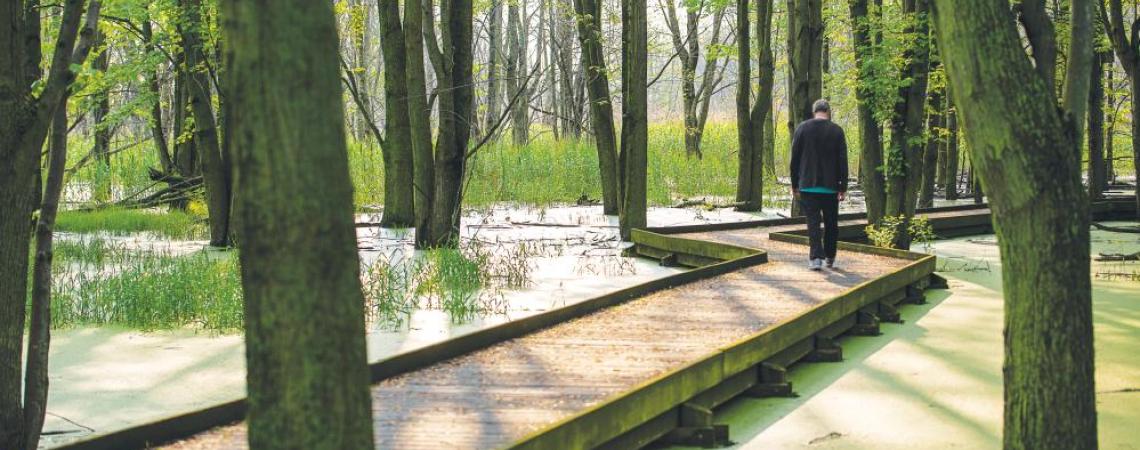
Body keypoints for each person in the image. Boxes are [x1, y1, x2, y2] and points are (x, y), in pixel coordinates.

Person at [790, 99, 848, 271]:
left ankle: (815, 258)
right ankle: (830, 256)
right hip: (830, 187)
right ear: (828, 112)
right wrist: (843, 187)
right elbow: (842, 161)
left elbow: (794, 159)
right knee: (831, 223)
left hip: (808, 185)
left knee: (813, 223)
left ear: (813, 111)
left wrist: (795, 184)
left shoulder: (802, 128)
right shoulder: (837, 131)